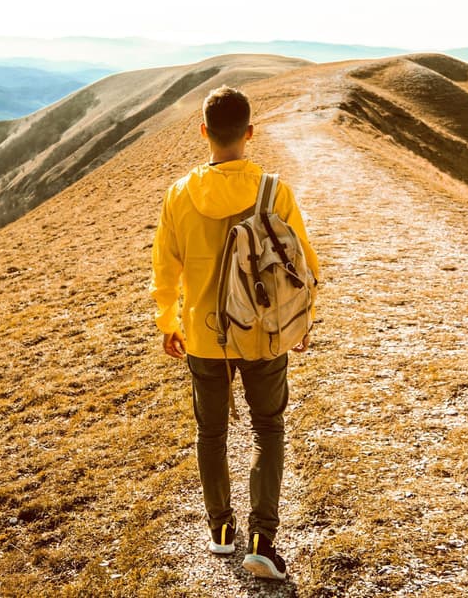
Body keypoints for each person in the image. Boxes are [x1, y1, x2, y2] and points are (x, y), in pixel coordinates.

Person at [150, 85, 322, 582]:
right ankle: (262, 540)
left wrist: (169, 321)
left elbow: (165, 269)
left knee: (212, 432)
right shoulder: (275, 191)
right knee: (268, 429)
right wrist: (301, 320)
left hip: (203, 336)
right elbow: (303, 263)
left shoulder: (179, 194)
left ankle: (220, 533)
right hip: (264, 333)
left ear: (204, 132)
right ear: (250, 132)